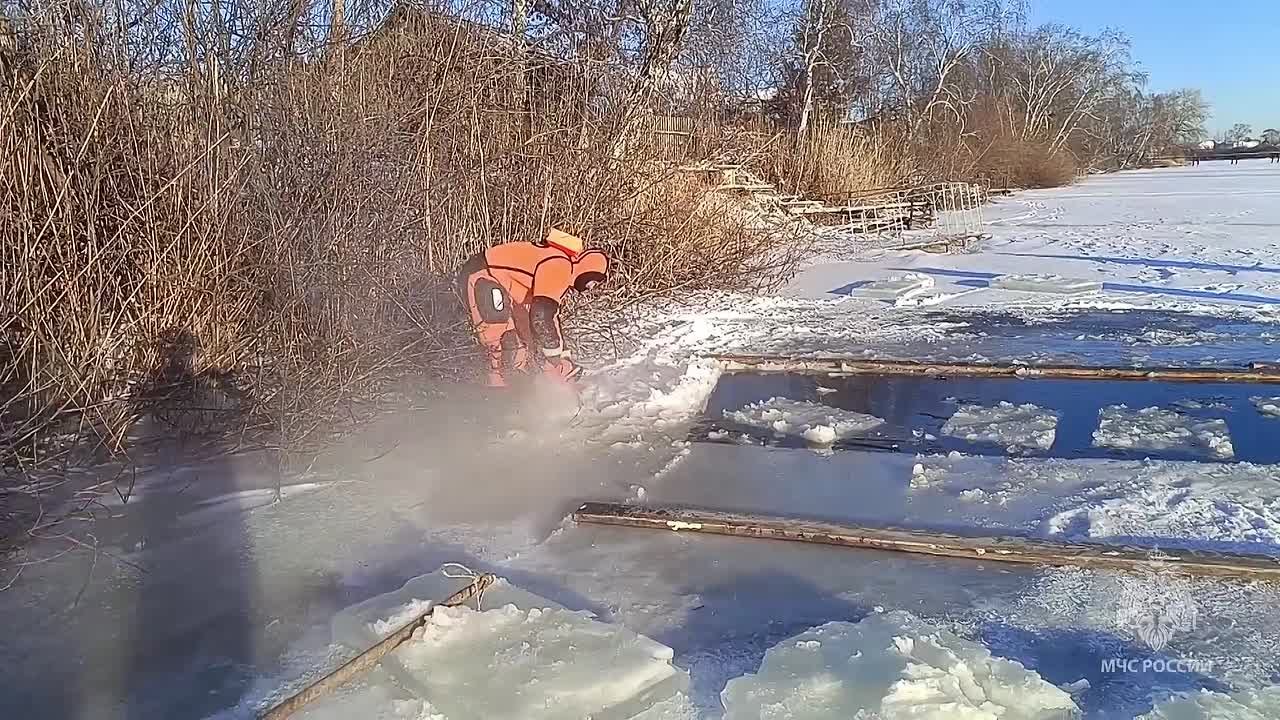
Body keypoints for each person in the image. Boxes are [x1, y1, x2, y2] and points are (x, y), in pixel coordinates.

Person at [457, 228, 609, 388]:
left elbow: (549, 317)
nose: (591, 287)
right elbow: (541, 315)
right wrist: (553, 359)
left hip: (506, 286)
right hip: (484, 273)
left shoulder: (561, 269)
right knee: (499, 339)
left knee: (524, 340)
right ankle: (496, 392)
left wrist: (562, 355)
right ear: (589, 270)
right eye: (594, 281)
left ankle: (518, 386)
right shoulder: (560, 266)